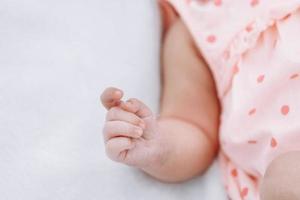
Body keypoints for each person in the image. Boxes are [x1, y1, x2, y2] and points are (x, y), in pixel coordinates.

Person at [101, 0, 300, 199]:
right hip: (287, 174)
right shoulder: (196, 30)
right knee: (285, 178)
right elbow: (193, 125)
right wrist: (156, 145)